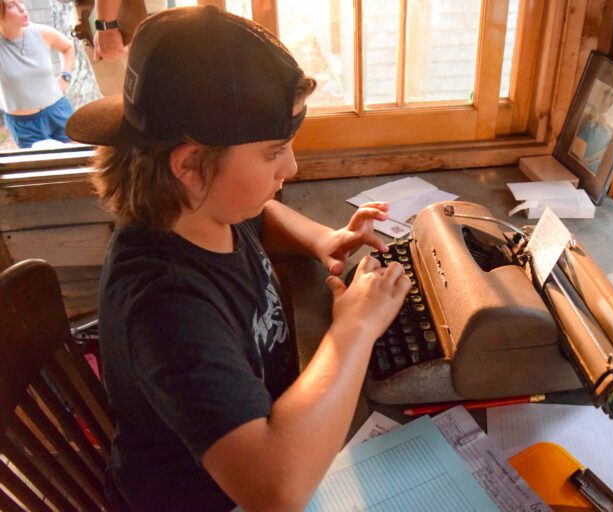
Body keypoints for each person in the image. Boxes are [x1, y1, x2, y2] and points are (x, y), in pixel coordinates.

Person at [64, 5, 410, 512]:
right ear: (190, 164)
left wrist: (321, 239)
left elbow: (262, 214)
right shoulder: (165, 304)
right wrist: (355, 328)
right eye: (274, 152)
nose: (290, 167)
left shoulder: (198, 208)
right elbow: (276, 489)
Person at [0, 0, 74, 148]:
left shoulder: (42, 33)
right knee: (41, 167)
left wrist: (65, 77)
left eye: (20, 1)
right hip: (25, 125)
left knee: (77, 160)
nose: (22, 8)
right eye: (11, 5)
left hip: (58, 112)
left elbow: (68, 47)